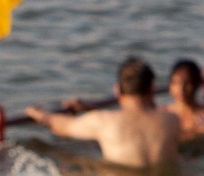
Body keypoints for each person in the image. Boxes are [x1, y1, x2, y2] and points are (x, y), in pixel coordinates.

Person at [27, 56, 179, 168]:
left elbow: (61, 126)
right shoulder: (172, 119)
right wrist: (91, 109)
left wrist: (39, 114)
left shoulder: (103, 122)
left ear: (117, 90)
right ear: (152, 89)